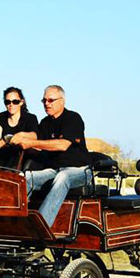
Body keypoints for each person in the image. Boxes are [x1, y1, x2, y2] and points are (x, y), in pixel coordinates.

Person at [10, 85, 92, 227]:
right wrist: (18, 139)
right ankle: (14, 223)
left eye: (51, 100)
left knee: (63, 177)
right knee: (24, 178)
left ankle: (41, 225)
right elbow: (37, 142)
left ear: (62, 101)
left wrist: (30, 143)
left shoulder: (73, 118)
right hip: (53, 171)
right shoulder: (45, 123)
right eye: (44, 101)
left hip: (79, 171)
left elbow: (62, 145)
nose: (47, 103)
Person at [0, 87, 38, 168]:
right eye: (8, 102)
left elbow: (34, 135)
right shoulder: (0, 118)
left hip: (22, 155)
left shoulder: (30, 118)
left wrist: (19, 136)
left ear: (21, 102)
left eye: (15, 102)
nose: (11, 105)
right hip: (4, 155)